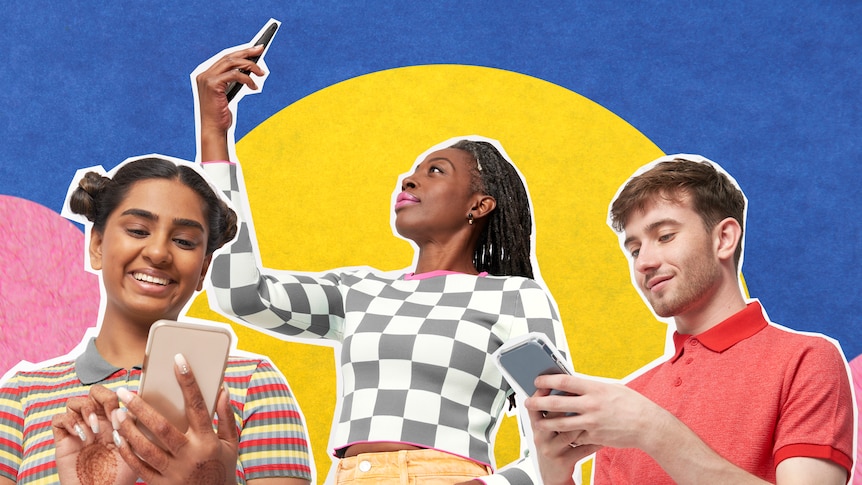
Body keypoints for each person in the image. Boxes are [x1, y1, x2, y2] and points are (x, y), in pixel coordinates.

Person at [194, 43, 569, 484]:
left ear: (480, 204)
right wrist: (214, 134)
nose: (408, 178)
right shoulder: (360, 292)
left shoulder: (512, 298)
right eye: (413, 170)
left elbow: (559, 433)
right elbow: (240, 295)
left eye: (437, 171)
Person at [524, 155, 855, 484]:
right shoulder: (625, 405)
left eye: (665, 236)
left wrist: (653, 430)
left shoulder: (806, 361)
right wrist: (557, 477)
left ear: (724, 238)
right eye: (635, 250)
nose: (644, 263)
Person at [0, 156, 314, 484]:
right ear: (96, 245)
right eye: (138, 230)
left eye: (184, 241)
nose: (159, 253)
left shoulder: (252, 386)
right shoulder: (20, 399)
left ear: (203, 269)